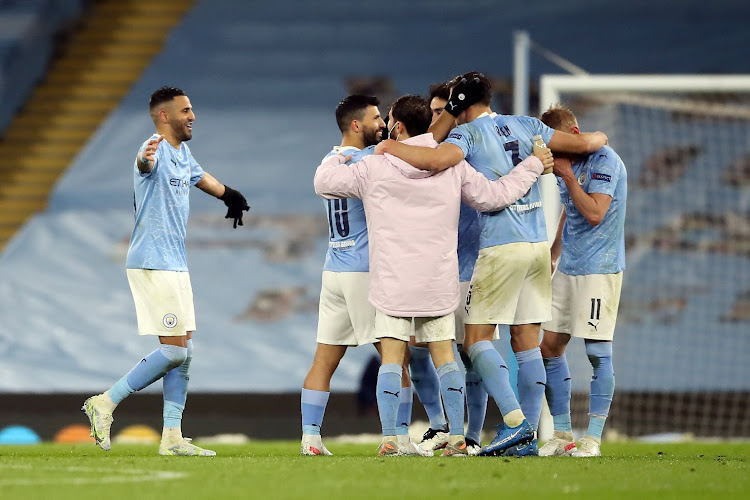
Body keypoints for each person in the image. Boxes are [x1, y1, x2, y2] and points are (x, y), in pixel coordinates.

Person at [376, 72, 608, 456]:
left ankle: (516, 424)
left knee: (476, 339)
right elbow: (584, 142)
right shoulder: (527, 124)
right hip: (536, 243)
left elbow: (435, 160)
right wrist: (599, 139)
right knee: (525, 341)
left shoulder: (466, 136)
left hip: (502, 246)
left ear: (460, 104)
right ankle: (529, 437)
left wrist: (389, 148)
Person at [314, 94, 552, 456]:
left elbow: (324, 182)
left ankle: (391, 440)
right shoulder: (452, 166)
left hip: (391, 279)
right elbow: (494, 196)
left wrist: (356, 153)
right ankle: (458, 437)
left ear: (397, 126)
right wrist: (533, 164)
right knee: (445, 356)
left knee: (392, 357)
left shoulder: (375, 166)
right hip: (437, 279)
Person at [82, 86, 250, 456]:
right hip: (152, 261)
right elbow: (145, 166)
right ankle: (105, 403)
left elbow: (198, 175)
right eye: (186, 110)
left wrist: (228, 195)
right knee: (173, 353)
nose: (192, 116)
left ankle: (172, 437)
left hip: (175, 263)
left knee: (185, 353)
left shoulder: (181, 151)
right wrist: (144, 159)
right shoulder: (152, 150)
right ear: (164, 116)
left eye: (192, 109)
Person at [300, 96, 426, 457]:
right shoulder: (373, 160)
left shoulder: (330, 160)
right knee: (395, 356)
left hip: (334, 269)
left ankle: (310, 438)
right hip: (364, 271)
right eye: (374, 118)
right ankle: (397, 437)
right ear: (356, 125)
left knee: (324, 359)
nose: (382, 125)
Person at [537, 104, 627, 458]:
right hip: (570, 267)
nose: (556, 154)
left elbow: (593, 213)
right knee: (549, 347)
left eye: (559, 145)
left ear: (573, 136)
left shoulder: (604, 160)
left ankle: (592, 438)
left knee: (596, 351)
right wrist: (555, 248)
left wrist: (569, 176)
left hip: (599, 270)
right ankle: (561, 433)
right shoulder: (565, 163)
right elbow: (568, 208)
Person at [408, 81, 491, 455]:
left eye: (442, 111)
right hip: (431, 268)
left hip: (472, 267)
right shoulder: (427, 156)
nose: (435, 119)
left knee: (472, 353)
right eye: (433, 112)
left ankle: (471, 435)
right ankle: (439, 426)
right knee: (417, 349)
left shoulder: (469, 151)